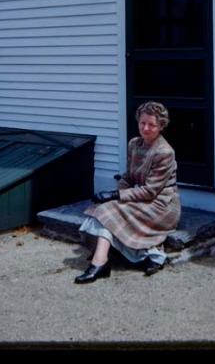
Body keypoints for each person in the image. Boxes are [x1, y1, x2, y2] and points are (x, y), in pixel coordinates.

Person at [75, 101, 181, 284]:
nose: (146, 128)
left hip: (161, 206)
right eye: (142, 123)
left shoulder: (164, 152)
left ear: (161, 126)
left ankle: (100, 264)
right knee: (105, 208)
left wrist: (117, 197)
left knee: (108, 210)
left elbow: (150, 191)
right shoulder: (134, 144)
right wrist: (116, 195)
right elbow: (128, 177)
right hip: (141, 198)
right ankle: (101, 261)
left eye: (152, 125)